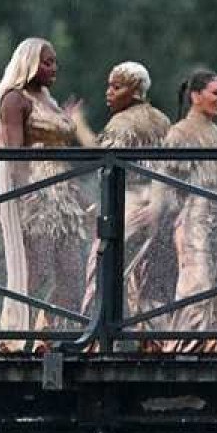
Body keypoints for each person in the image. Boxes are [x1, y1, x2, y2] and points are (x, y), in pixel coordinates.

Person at [0, 37, 91, 350]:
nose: (53, 68)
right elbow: (14, 155)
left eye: (54, 62)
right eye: (47, 62)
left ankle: (45, 336)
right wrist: (25, 198)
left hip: (62, 195)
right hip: (35, 194)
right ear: (30, 63)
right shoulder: (14, 99)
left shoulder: (48, 98)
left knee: (73, 273)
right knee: (38, 271)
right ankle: (13, 338)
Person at [80, 62, 175, 340]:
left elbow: (102, 156)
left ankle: (92, 335)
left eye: (116, 87)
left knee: (100, 269)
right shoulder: (162, 120)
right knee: (151, 278)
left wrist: (79, 125)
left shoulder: (122, 123)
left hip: (129, 201)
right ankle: (156, 340)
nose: (108, 92)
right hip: (161, 203)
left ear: (134, 91)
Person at [158, 69, 217, 353]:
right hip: (194, 212)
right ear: (196, 96)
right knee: (197, 278)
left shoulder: (216, 132)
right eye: (216, 93)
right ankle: (187, 345)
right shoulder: (180, 132)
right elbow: (168, 180)